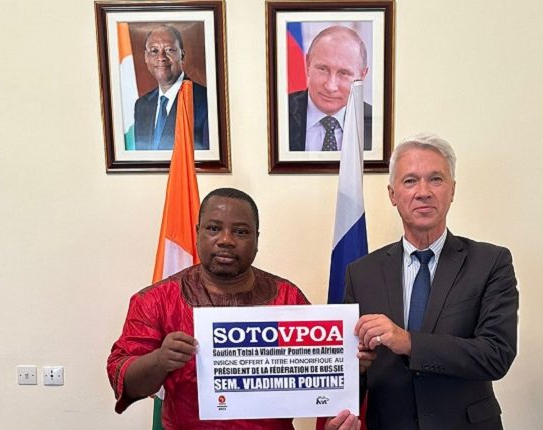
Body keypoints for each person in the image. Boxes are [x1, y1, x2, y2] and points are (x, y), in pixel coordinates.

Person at [107, 188, 360, 430]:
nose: (226, 240)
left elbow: (319, 370)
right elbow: (124, 380)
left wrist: (351, 359)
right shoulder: (156, 300)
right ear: (197, 233)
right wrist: (160, 360)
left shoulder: (287, 297)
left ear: (256, 239)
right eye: (214, 228)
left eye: (240, 232)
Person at [347, 133, 519, 429]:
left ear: (452, 190)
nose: (423, 192)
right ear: (392, 194)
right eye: (410, 181)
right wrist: (348, 395)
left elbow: (496, 355)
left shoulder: (491, 262)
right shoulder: (361, 273)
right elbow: (353, 363)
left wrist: (408, 342)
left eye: (436, 179)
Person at [288, 25, 372, 152]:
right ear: (308, 64)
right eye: (323, 69)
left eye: (343, 73)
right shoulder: (277, 114)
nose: (330, 86)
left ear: (362, 75)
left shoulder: (378, 125)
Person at [134, 24, 209, 151]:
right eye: (154, 51)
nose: (161, 57)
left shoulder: (205, 101)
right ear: (146, 57)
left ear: (182, 55)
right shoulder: (141, 105)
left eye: (169, 50)